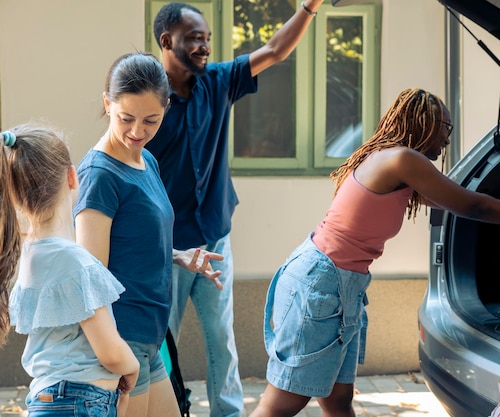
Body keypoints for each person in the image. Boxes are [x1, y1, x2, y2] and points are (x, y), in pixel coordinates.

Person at [248, 88, 500, 417]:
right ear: (426, 123)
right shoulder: (402, 159)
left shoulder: (394, 165)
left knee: (338, 399)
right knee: (284, 402)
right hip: (322, 283)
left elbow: (454, 203)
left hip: (337, 283)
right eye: (446, 128)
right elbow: (471, 204)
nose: (447, 139)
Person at [146, 2, 324, 416]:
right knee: (159, 346)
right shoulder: (148, 98)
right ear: (166, 41)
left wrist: (309, 7)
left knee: (222, 341)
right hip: (164, 249)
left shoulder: (218, 82)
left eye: (207, 38)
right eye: (194, 38)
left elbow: (276, 50)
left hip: (213, 237)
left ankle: (227, 413)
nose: (204, 46)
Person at [73, 52, 223, 417]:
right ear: (107, 103)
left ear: (166, 110)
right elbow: (90, 281)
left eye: (150, 120)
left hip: (149, 340)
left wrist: (177, 256)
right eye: (126, 118)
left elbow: (130, 239)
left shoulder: (145, 159)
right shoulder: (99, 175)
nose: (138, 131)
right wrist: (117, 357)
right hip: (122, 343)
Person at [2, 124, 139, 417]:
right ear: (72, 177)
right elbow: (110, 352)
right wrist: (133, 367)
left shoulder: (29, 255)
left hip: (44, 398)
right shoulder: (75, 261)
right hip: (80, 401)